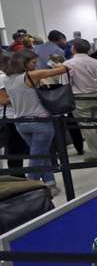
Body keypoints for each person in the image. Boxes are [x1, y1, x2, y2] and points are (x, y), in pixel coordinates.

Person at [3, 50, 70, 194]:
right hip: (40, 122)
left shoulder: (7, 79)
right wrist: (62, 65)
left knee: (41, 154)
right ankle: (30, 188)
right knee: (37, 157)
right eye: (33, 63)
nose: (36, 65)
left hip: (20, 123)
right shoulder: (31, 75)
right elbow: (63, 70)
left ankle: (50, 183)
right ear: (24, 63)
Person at [63, 39, 97, 161]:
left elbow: (66, 83)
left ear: (73, 48)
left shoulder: (69, 64)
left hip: (80, 97)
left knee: (87, 125)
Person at [0, 52, 30, 172]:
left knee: (14, 149)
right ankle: (17, 175)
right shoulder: (2, 78)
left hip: (7, 117)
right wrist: (22, 96)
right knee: (15, 149)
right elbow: (3, 100)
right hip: (8, 117)